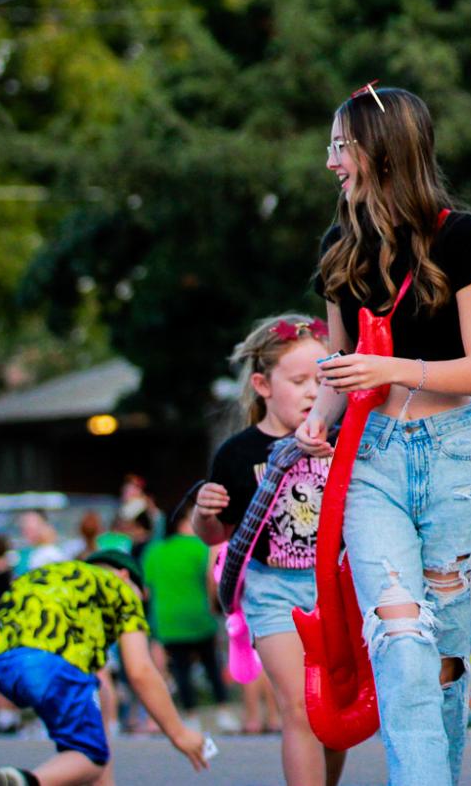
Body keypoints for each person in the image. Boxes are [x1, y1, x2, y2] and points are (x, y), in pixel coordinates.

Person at [297, 82, 471, 785]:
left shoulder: (456, 235)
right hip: (371, 462)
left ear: (383, 153)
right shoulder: (338, 248)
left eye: (340, 146)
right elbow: (336, 366)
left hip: (455, 459)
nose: (331, 163)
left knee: (443, 660)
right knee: (400, 644)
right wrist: (314, 419)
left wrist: (390, 365)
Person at [193, 312, 344, 786]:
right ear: (261, 384)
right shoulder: (238, 453)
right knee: (300, 706)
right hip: (272, 587)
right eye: (298, 380)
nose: (310, 393)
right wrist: (204, 511)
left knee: (335, 706)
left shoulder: (343, 438)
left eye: (322, 380)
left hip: (336, 586)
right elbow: (217, 535)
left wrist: (337, 458)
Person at [0, 551, 209, 785]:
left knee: (88, 750)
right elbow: (140, 670)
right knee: (89, 756)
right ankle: (26, 782)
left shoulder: (48, 579)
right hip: (51, 663)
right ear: (125, 575)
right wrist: (178, 733)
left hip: (2, 664)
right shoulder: (119, 588)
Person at [142, 499, 223, 713]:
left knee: (181, 669)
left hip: (168, 620)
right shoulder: (198, 546)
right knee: (211, 664)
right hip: (199, 615)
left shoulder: (154, 551)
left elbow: (147, 589)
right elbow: (211, 578)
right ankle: (222, 709)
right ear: (181, 523)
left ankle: (189, 713)